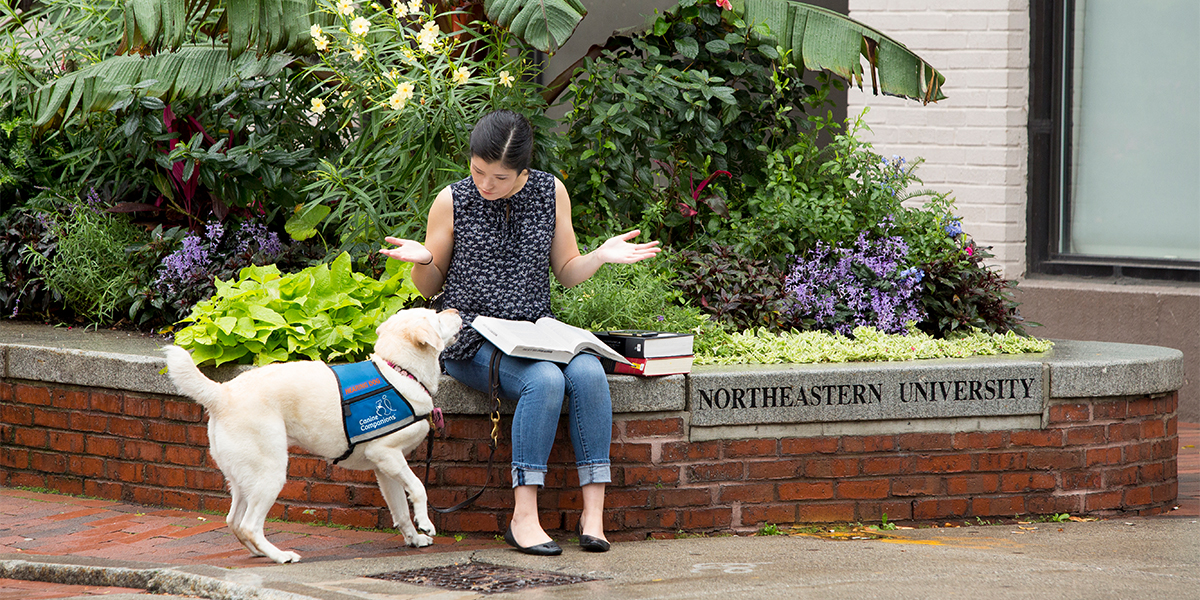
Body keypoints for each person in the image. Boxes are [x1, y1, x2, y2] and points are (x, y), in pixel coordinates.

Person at [379, 110, 660, 555]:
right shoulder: (451, 200)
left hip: (535, 331)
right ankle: (524, 517)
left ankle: (593, 514)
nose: (486, 184)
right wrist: (423, 260)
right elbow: (430, 288)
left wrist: (600, 255)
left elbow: (567, 272)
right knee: (544, 380)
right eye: (478, 171)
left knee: (588, 373)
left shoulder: (551, 192)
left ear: (524, 172)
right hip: (471, 336)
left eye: (500, 177)